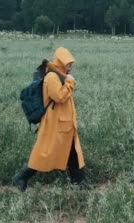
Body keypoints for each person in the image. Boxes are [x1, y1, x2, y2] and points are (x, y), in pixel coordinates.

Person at [13, 47, 85, 192]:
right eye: (68, 64)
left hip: (64, 126)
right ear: (61, 63)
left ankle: (79, 182)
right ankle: (21, 177)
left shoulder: (60, 75)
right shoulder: (52, 77)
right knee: (43, 154)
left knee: (72, 152)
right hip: (54, 126)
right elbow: (59, 96)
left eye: (71, 65)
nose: (70, 68)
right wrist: (70, 83)